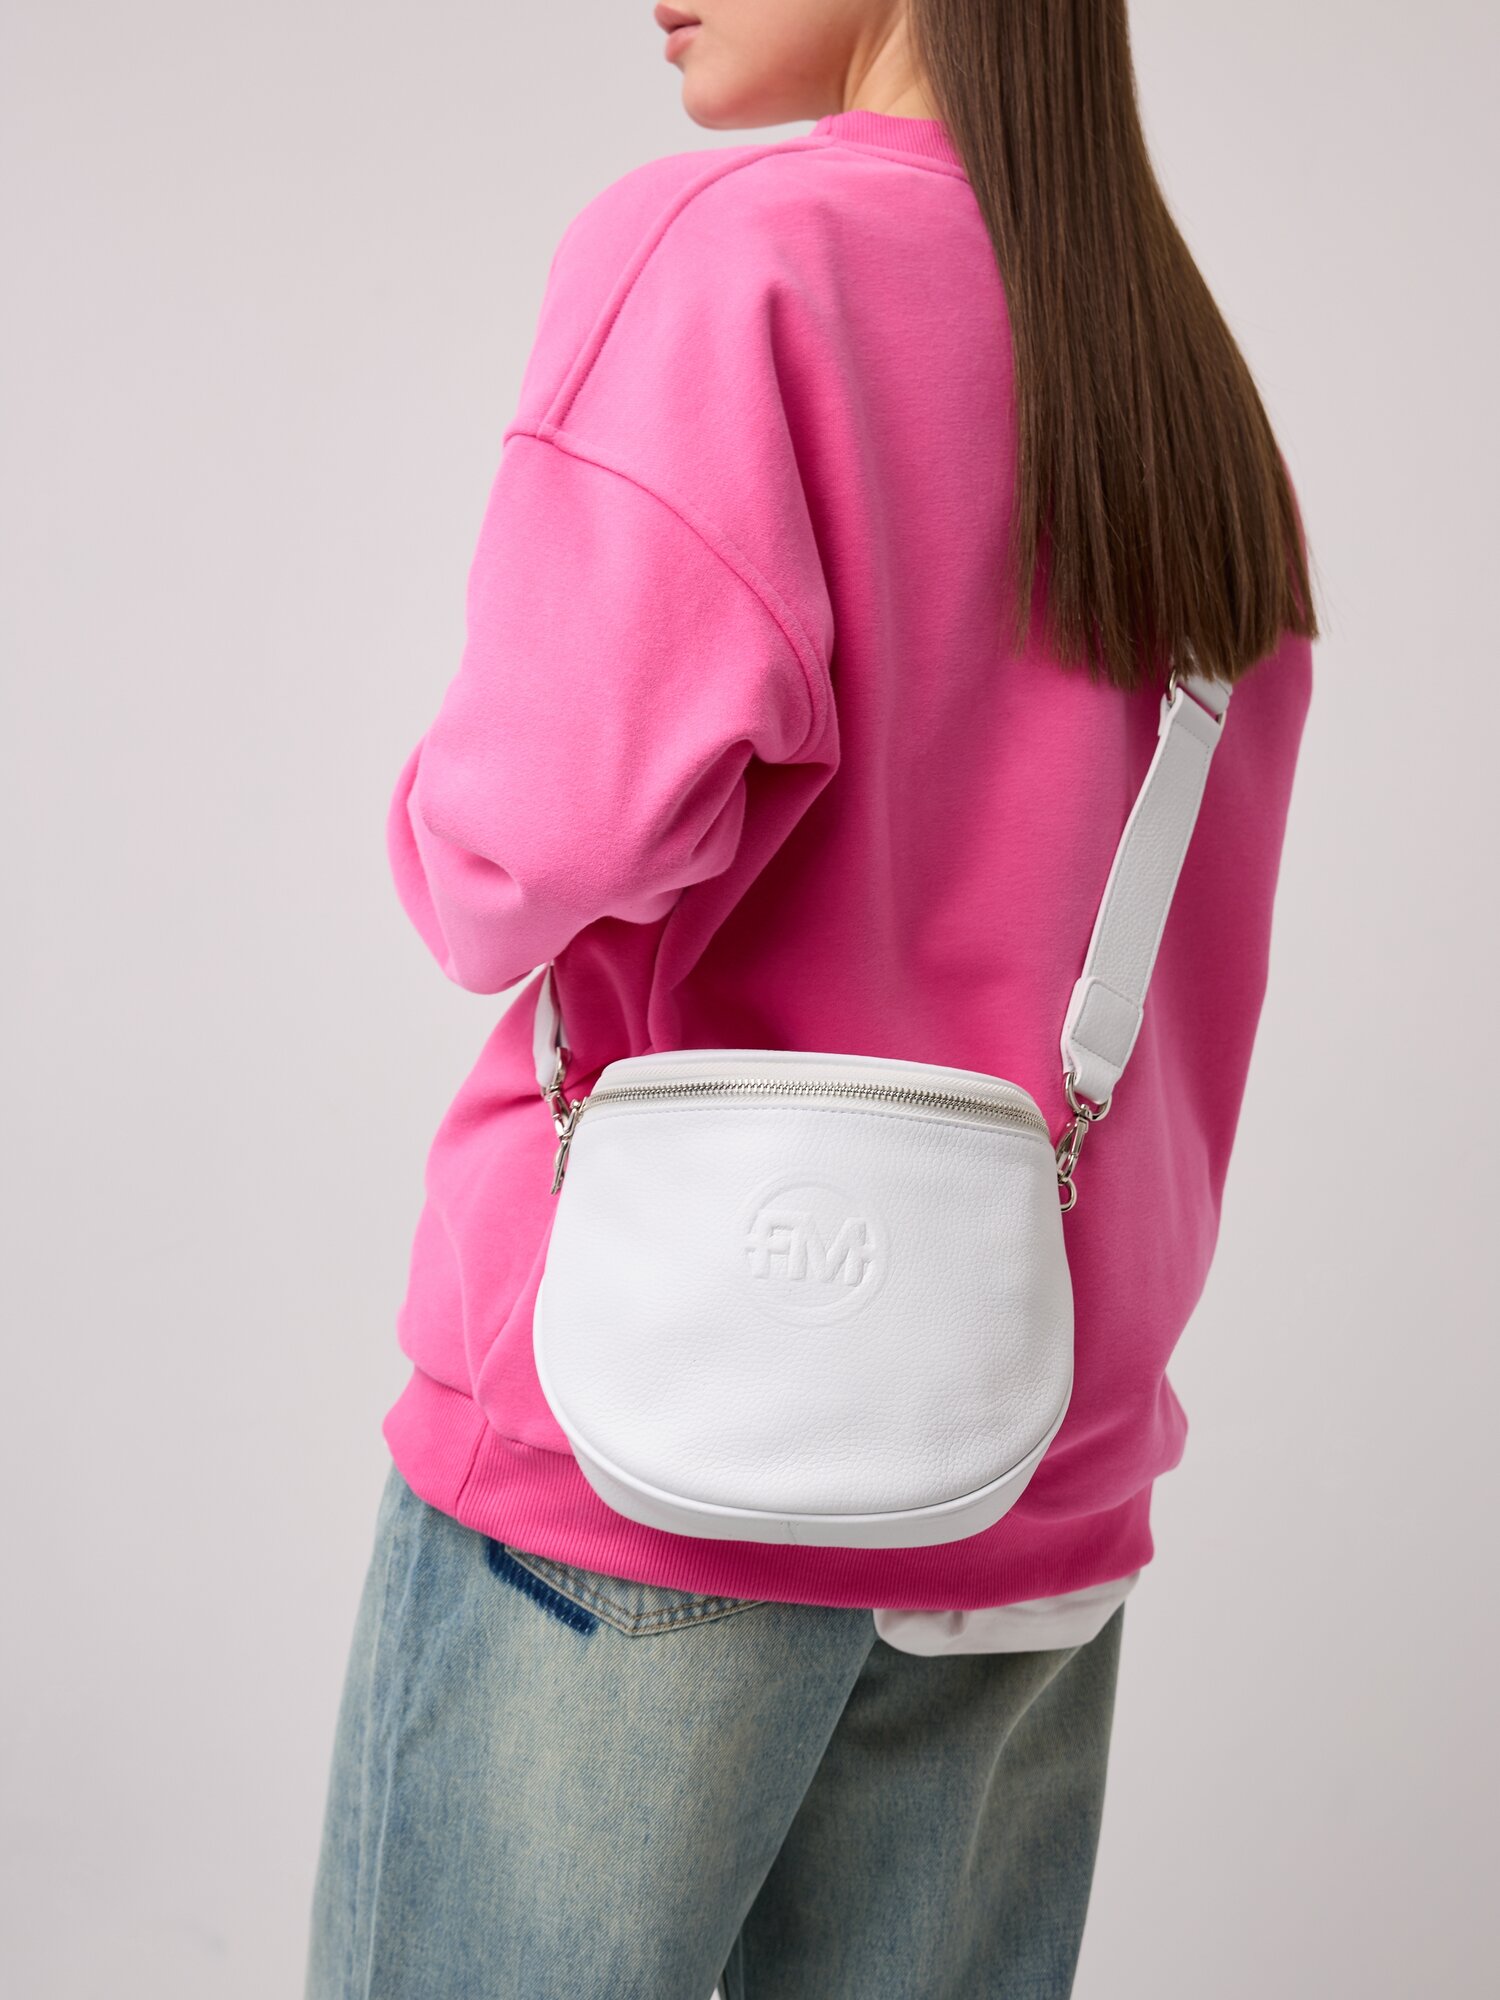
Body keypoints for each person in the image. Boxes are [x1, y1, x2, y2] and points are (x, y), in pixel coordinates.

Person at [304, 3, 1317, 1994]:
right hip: (1035, 1472)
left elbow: (517, 852)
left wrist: (445, 798)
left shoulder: (739, 255)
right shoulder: (1183, 383)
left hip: (650, 1436)